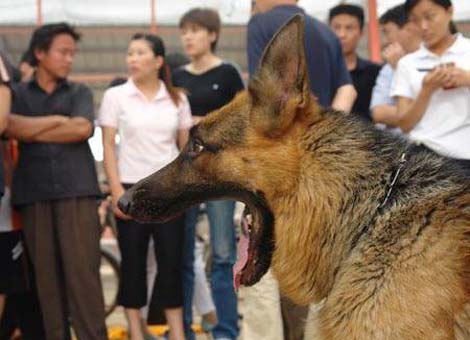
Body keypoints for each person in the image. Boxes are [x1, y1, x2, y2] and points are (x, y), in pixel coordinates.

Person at [6, 23, 108, 340]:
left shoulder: (78, 92)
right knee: (46, 284)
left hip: (77, 193)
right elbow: (9, 127)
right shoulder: (18, 94)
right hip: (34, 196)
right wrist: (55, 121)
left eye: (72, 54)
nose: (69, 60)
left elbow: (80, 129)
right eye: (63, 52)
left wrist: (31, 128)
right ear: (39, 53)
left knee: (84, 280)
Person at [99, 33, 191, 340]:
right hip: (130, 189)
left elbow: (185, 151)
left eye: (140, 53)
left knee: (171, 263)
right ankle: (136, 333)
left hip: (169, 192)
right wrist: (116, 192)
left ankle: (177, 333)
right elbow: (109, 146)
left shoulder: (177, 98)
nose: (132, 59)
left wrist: (185, 193)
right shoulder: (116, 97)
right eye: (129, 53)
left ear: (158, 61)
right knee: (133, 264)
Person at [172, 8, 244, 340]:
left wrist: (201, 123)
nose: (188, 37)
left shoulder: (228, 74)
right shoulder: (176, 78)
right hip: (184, 176)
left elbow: (243, 122)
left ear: (212, 34)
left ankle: (225, 330)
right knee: (184, 256)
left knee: (224, 254)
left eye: (195, 30)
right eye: (184, 31)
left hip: (218, 177)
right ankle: (182, 329)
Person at [391, 0, 470, 160]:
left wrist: (467, 79)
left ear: (449, 11)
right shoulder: (408, 63)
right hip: (426, 157)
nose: (423, 26)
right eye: (415, 20)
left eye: (430, 16)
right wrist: (427, 89)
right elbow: (404, 123)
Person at [247, 0, 356, 113]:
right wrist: (328, 127)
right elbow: (347, 90)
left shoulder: (259, 23)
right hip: (321, 124)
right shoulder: (326, 31)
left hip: (281, 127)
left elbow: (260, 91)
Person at [370, 4, 422, 128]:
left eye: (387, 32)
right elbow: (378, 113)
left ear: (408, 29)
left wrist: (399, 68)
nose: (385, 41)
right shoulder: (388, 68)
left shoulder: (434, 60)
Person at [328, 3, 382, 119]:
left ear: (362, 32)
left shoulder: (375, 72)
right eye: (336, 27)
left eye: (349, 28)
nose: (342, 34)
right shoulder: (318, 72)